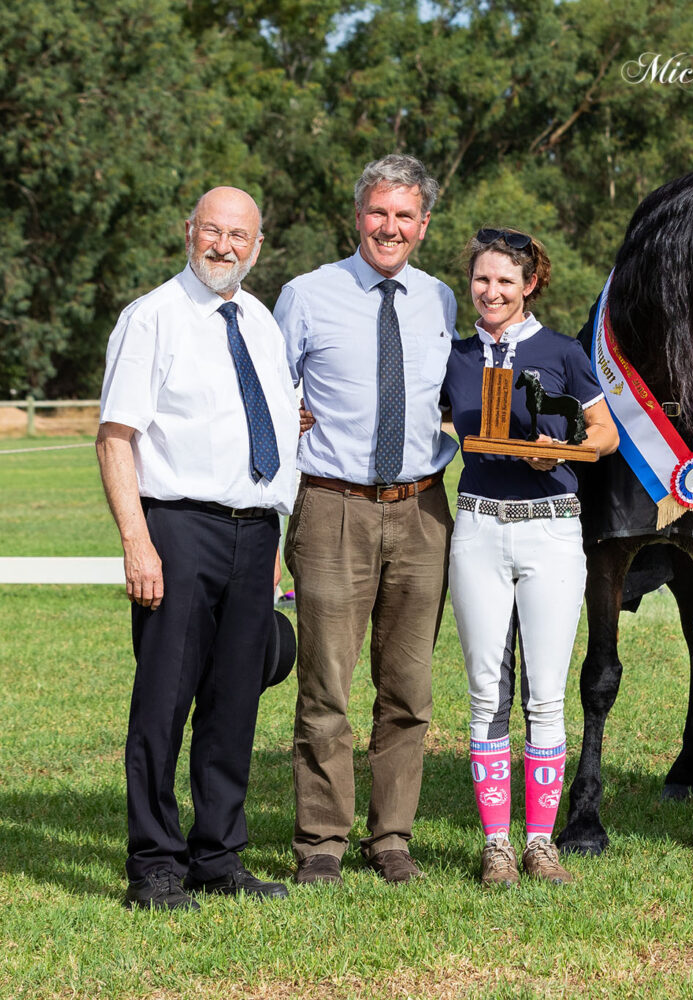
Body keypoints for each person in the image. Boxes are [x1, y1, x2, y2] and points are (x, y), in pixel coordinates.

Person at [98, 187, 298, 910]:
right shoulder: (152, 318)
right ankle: (154, 866)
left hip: (255, 531)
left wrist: (272, 535)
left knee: (234, 703)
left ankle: (219, 856)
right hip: (178, 529)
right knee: (163, 703)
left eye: (238, 235)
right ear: (190, 232)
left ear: (257, 244)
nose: (224, 246)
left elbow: (274, 431)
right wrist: (137, 542)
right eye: (211, 231)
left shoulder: (261, 322)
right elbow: (116, 436)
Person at [275, 154, 457, 885]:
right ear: (359, 216)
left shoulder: (442, 299)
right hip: (332, 508)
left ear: (423, 225)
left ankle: (392, 839)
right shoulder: (307, 294)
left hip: (421, 510)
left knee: (409, 690)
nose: (390, 227)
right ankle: (321, 841)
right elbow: (270, 392)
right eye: (379, 212)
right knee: (326, 685)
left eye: (405, 215)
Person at [443, 227, 618, 886]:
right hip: (479, 528)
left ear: (530, 284)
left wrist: (562, 449)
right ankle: (497, 848)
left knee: (545, 695)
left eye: (505, 282)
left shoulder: (563, 352)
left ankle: (540, 843)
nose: (492, 292)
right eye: (483, 280)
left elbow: (604, 433)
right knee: (486, 691)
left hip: (550, 529)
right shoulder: (456, 355)